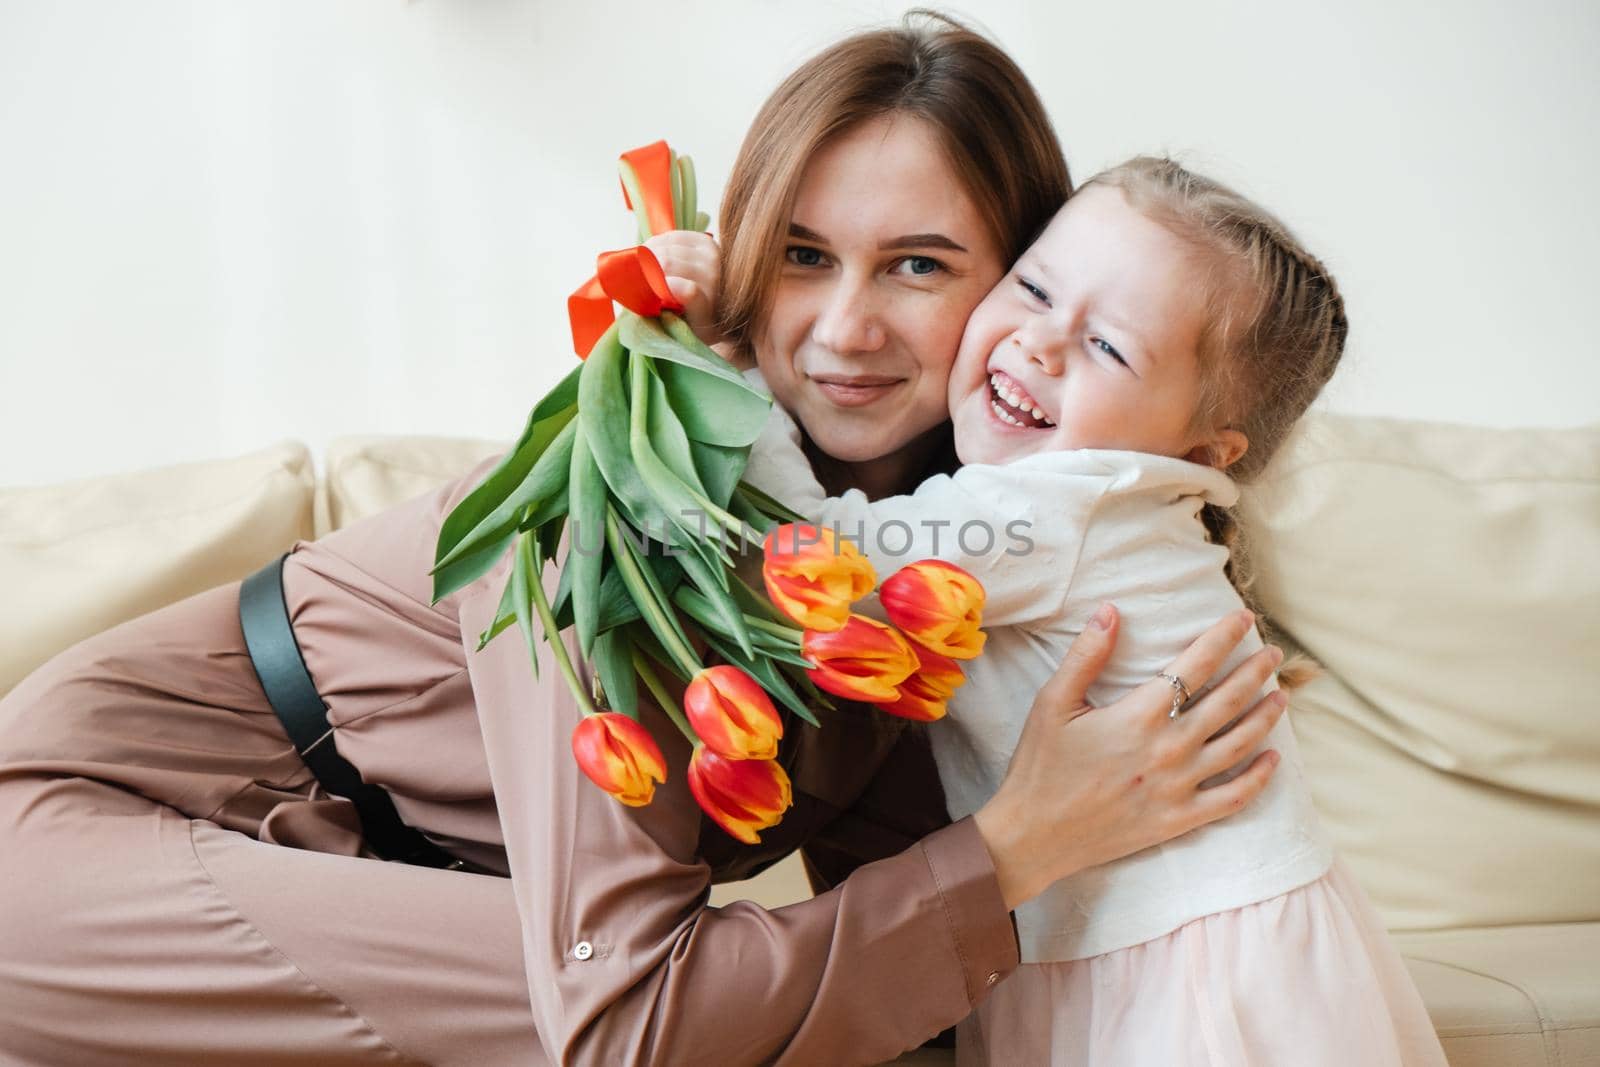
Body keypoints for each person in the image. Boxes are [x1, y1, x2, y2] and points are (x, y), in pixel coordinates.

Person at [0, 16, 1290, 1066]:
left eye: (916, 265)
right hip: (82, 841)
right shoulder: (623, 488)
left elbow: (901, 930)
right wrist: (1020, 843)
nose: (842, 329)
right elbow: (636, 1019)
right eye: (799, 254)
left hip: (378, 887)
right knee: (648, 1019)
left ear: (1016, 281)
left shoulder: (941, 551)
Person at [736, 158, 1448, 1064]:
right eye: (1033, 286)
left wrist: (730, 379)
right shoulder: (1113, 503)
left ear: (1202, 443)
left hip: (1182, 970)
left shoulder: (1062, 505)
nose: (1041, 341)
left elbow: (823, 554)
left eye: (1109, 346)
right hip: (1149, 939)